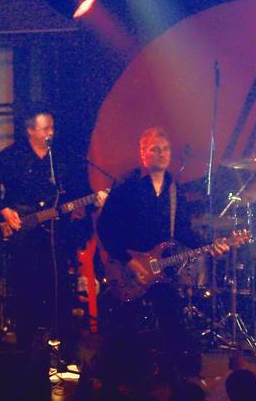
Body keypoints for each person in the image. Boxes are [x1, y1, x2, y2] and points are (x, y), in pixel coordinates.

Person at [0, 105, 103, 400]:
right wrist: (4, 210)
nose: (51, 133)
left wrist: (94, 201)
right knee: (27, 298)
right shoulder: (11, 157)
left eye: (52, 127)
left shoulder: (59, 160)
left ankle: (66, 364)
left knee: (60, 298)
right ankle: (28, 366)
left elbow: (75, 196)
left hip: (55, 240)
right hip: (25, 241)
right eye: (45, 128)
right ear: (30, 131)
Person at [96, 126, 230, 382]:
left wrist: (211, 244)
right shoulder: (127, 186)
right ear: (143, 154)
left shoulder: (173, 189)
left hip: (159, 270)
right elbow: (105, 227)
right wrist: (130, 261)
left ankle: (185, 380)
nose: (161, 154)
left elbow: (183, 231)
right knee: (123, 328)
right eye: (155, 149)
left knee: (174, 321)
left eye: (165, 149)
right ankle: (112, 378)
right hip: (127, 269)